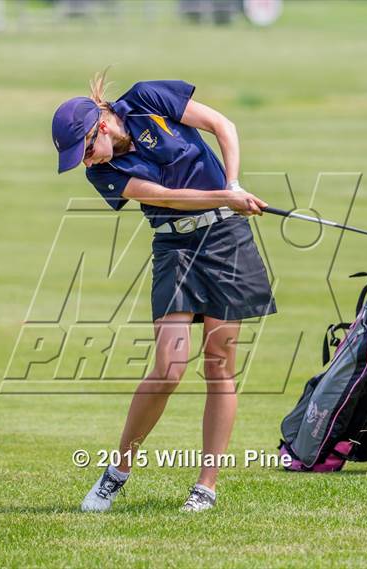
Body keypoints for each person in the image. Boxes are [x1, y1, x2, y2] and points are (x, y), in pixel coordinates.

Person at [52, 70, 276, 513]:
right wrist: (221, 197)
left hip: (225, 238)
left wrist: (231, 186)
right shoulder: (105, 173)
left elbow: (222, 126)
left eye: (85, 150)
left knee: (219, 364)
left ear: (101, 126)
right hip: (175, 245)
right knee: (169, 368)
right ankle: (117, 471)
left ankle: (205, 486)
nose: (86, 161)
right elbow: (164, 196)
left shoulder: (148, 97)